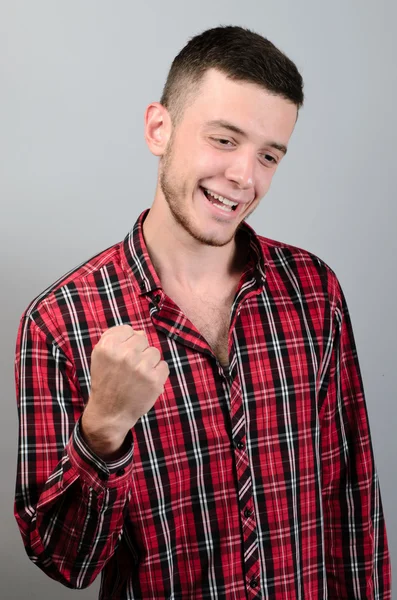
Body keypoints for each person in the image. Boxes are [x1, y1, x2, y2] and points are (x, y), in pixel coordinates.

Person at [14, 25, 391, 599]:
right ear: (158, 129)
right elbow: (67, 564)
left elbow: (354, 504)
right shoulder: (60, 321)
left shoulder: (314, 293)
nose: (245, 176)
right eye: (223, 140)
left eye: (269, 155)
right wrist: (104, 429)